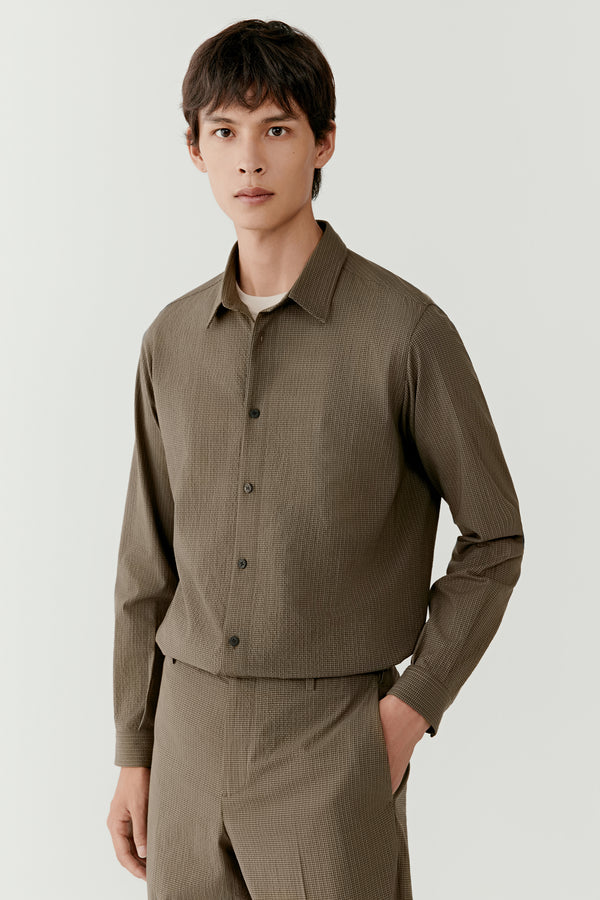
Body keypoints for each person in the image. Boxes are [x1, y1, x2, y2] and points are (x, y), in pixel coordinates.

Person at [106, 18, 525, 900]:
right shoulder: (169, 341)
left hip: (331, 740)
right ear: (195, 151)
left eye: (277, 129)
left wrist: (408, 712)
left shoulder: (405, 332)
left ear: (324, 142)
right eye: (225, 132)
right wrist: (134, 751)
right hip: (186, 742)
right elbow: (146, 565)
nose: (249, 160)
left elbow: (494, 538)